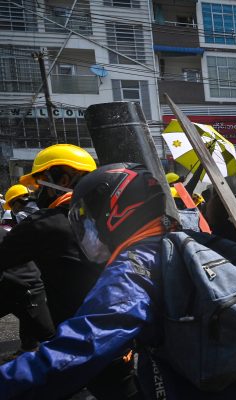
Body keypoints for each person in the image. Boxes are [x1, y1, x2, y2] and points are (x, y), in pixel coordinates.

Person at [0, 163, 236, 399]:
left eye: (91, 216)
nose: (89, 226)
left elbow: (81, 347)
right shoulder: (185, 239)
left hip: (185, 385)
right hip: (234, 382)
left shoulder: (135, 265)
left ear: (117, 212)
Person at [0, 144, 139, 399]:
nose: (37, 192)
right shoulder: (115, 217)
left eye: (41, 183)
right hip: (123, 333)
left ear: (63, 179)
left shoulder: (44, 225)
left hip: (79, 340)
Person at [0, 226, 55, 361]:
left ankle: (57, 367)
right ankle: (26, 350)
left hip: (27, 286)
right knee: (25, 326)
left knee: (46, 336)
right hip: (7, 286)